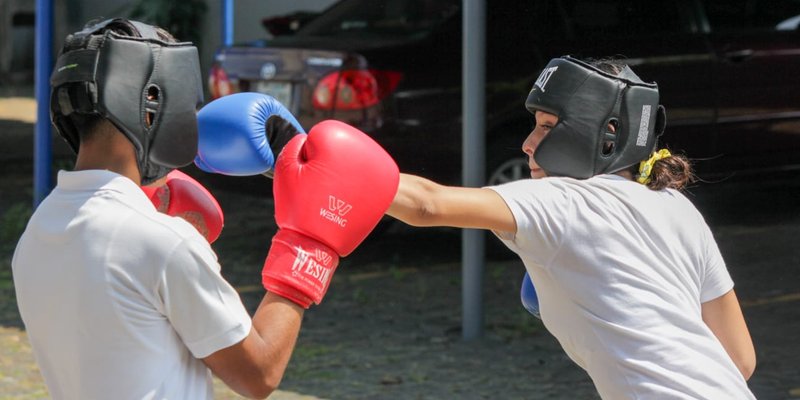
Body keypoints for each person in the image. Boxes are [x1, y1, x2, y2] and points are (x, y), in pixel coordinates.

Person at [12, 18, 398, 399]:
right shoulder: (160, 242)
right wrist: (309, 249)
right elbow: (258, 374)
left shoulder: (38, 232)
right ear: (152, 108)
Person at [387, 55, 756, 399]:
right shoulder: (677, 207)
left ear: (609, 133)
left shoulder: (565, 202)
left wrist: (338, 168)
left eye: (547, 127)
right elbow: (739, 360)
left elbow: (426, 203)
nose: (528, 144)